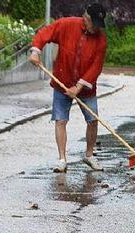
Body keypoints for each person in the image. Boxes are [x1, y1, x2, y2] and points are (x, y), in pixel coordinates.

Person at [28, 3, 107, 172]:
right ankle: (62, 159)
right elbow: (44, 33)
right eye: (95, 24)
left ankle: (89, 155)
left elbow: (96, 67)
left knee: (93, 120)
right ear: (86, 18)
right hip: (61, 82)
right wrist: (35, 51)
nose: (97, 29)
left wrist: (78, 87)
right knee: (60, 120)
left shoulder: (101, 39)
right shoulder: (66, 25)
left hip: (86, 88)